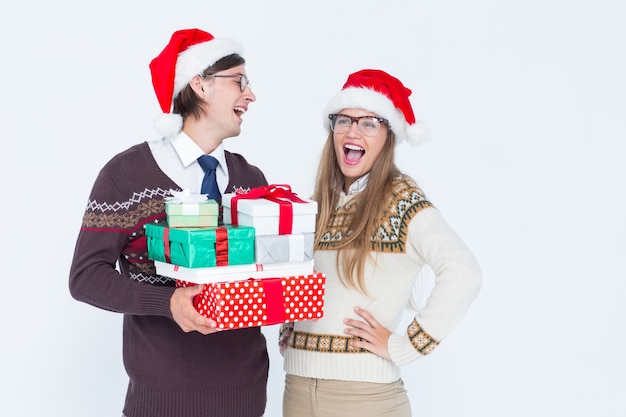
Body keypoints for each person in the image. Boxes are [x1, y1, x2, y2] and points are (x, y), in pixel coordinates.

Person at [69, 28, 269, 417]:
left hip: (245, 395)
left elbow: (262, 277)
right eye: (240, 81)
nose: (251, 94)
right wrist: (168, 302)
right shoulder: (127, 174)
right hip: (163, 400)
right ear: (200, 84)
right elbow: (85, 276)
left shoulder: (252, 180)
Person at [280, 69, 483, 416]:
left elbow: (463, 272)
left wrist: (405, 347)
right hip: (297, 389)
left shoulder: (400, 200)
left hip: (365, 398)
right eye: (344, 120)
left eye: (369, 123)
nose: (352, 131)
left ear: (389, 136)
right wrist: (291, 327)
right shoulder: (321, 202)